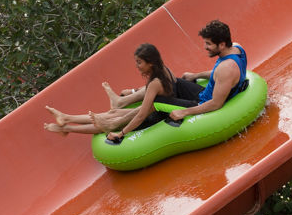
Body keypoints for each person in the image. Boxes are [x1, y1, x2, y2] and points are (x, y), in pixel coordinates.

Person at [45, 43, 200, 142]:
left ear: (150, 63)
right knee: (115, 113)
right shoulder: (164, 70)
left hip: (156, 117)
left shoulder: (155, 83)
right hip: (158, 109)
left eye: (139, 62)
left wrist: (122, 133)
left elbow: (141, 116)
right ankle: (66, 118)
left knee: (111, 122)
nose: (137, 66)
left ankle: (66, 128)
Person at [169, 20, 248, 122]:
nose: (205, 47)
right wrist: (195, 76)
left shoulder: (227, 68)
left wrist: (184, 112)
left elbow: (216, 103)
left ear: (222, 45)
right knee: (169, 82)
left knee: (157, 100)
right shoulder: (237, 47)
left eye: (208, 44)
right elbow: (218, 75)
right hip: (204, 93)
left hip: (202, 103)